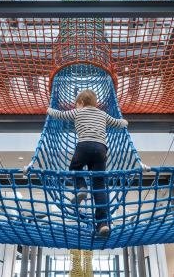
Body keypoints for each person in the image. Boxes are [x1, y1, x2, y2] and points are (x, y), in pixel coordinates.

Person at [47, 89, 128, 237]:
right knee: (99, 185)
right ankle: (103, 224)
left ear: (81, 102)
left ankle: (82, 187)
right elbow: (117, 123)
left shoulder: (78, 112)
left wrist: (50, 110)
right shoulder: (102, 114)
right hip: (101, 149)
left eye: (76, 104)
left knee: (74, 168)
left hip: (83, 146)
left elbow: (61, 115)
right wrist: (124, 122)